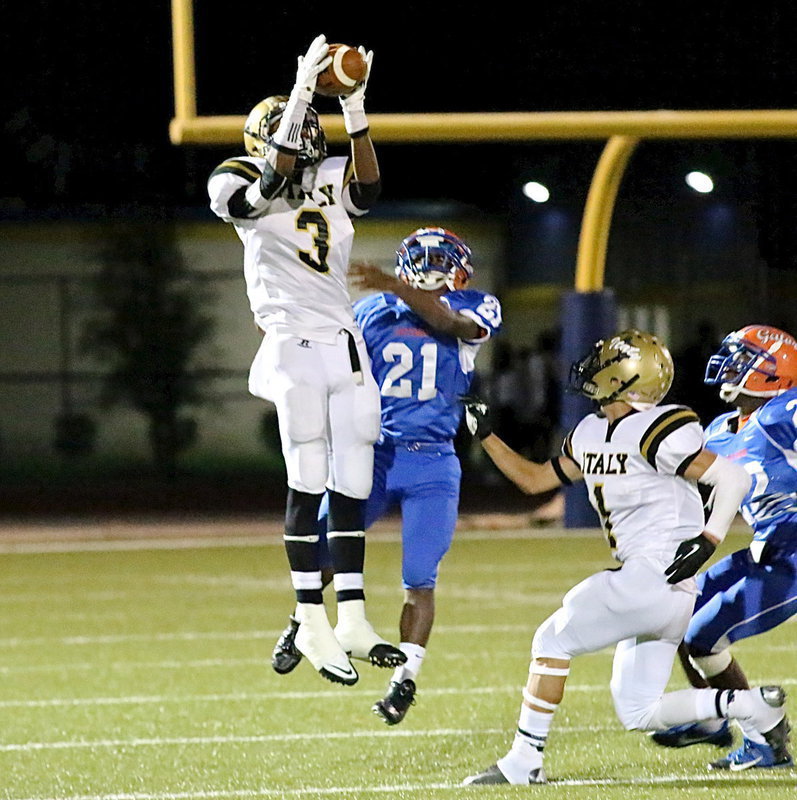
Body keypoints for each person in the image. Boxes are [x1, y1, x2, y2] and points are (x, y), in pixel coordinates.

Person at [458, 329, 790, 784]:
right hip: (664, 591)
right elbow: (535, 480)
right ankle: (751, 706)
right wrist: (488, 435)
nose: (593, 365)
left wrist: (708, 540)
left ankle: (523, 762)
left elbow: (731, 478)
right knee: (639, 710)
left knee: (550, 640)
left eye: (605, 360)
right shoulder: (589, 432)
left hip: (655, 575)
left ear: (629, 375)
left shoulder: (661, 427)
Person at [207, 34, 404, 687]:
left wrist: (355, 109)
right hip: (291, 341)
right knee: (307, 477)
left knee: (351, 478)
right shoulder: (233, 176)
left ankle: (350, 611)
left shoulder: (325, 175)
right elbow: (266, 184)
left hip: (342, 341)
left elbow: (369, 188)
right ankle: (307, 614)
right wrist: (299, 88)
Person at [271, 227, 503, 723]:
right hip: (372, 456)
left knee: (420, 579)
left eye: (441, 260)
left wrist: (394, 287)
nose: (434, 268)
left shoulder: (475, 305)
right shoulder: (370, 313)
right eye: (426, 260)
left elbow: (454, 325)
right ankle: (302, 622)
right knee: (326, 549)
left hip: (432, 462)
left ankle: (404, 681)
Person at [650, 324, 797, 769]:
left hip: (792, 552)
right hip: (766, 547)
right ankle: (725, 722)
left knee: (701, 635)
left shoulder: (784, 413)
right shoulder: (717, 429)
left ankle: (756, 733)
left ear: (775, 373)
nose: (732, 364)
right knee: (675, 609)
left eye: (746, 357)